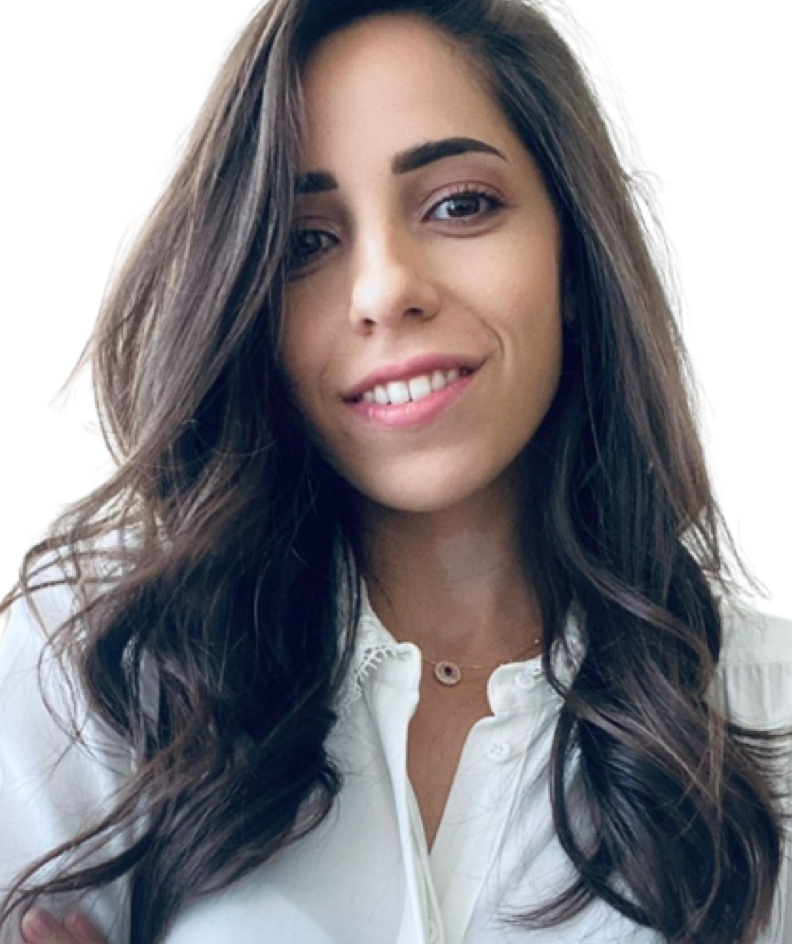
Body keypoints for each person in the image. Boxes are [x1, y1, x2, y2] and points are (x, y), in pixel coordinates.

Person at [1, 0, 790, 942]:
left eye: (460, 205)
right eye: (305, 242)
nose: (384, 291)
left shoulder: (769, 720)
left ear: (574, 258)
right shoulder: (99, 667)